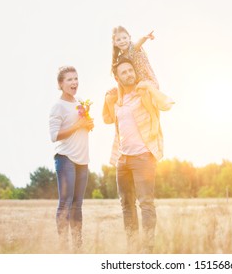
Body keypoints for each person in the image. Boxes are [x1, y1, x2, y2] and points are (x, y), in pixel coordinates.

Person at [103, 57, 174, 253]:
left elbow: (166, 104)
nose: (129, 74)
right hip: (123, 159)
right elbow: (107, 119)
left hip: (143, 156)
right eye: (123, 72)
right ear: (117, 77)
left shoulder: (144, 92)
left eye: (130, 70)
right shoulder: (118, 100)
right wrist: (106, 98)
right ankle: (132, 248)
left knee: (146, 203)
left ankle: (148, 249)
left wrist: (151, 88)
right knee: (126, 205)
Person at [49, 66, 94, 252]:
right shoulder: (57, 107)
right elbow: (54, 135)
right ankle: (62, 247)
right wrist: (78, 125)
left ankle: (77, 246)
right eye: (69, 80)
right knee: (66, 202)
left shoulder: (81, 102)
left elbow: (84, 125)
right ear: (61, 84)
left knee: (78, 205)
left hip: (82, 160)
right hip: (66, 158)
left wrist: (88, 125)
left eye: (76, 79)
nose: (74, 82)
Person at [111, 26, 159, 138]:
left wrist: (145, 37)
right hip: (137, 85)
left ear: (129, 38)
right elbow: (120, 80)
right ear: (114, 43)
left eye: (124, 38)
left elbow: (138, 43)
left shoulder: (133, 47)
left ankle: (154, 118)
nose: (122, 41)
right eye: (118, 40)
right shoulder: (121, 58)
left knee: (142, 89)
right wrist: (120, 97)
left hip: (149, 81)